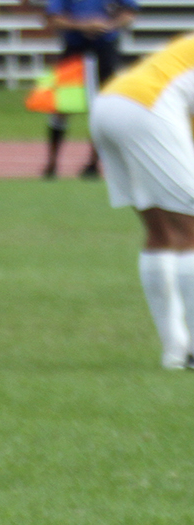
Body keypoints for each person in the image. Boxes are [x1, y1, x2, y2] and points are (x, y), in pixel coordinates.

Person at [88, 33, 194, 370]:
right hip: (148, 107)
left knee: (162, 232)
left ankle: (175, 351)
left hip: (109, 104)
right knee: (191, 232)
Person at [43, 0, 138, 178]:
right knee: (62, 104)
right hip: (75, 46)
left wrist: (109, 25)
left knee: (103, 106)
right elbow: (53, 18)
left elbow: (130, 12)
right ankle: (52, 162)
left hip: (105, 46)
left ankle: (93, 163)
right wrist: (81, 25)